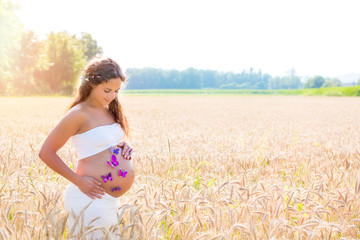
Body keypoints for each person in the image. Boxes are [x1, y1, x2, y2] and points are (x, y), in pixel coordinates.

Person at [38, 57, 135, 239]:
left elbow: (103, 143)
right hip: (89, 198)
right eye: (107, 90)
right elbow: (46, 152)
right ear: (91, 84)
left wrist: (123, 146)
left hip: (110, 201)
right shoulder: (78, 114)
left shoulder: (110, 110)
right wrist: (78, 181)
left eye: (116, 91)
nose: (112, 95)